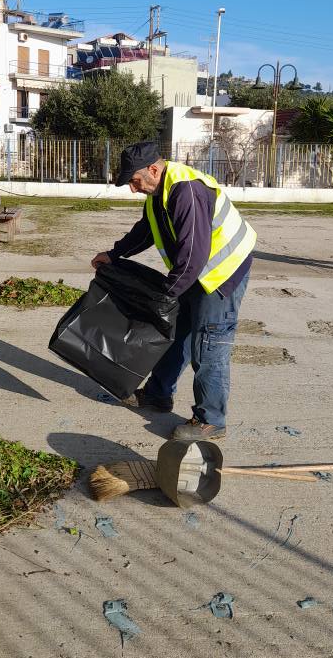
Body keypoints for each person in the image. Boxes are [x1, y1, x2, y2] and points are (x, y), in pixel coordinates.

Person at [91, 141, 256, 440]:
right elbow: (147, 229)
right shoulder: (159, 191)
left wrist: (168, 294)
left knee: (209, 344)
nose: (132, 188)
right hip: (196, 272)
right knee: (177, 333)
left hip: (222, 273)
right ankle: (158, 395)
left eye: (135, 181)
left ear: (153, 169)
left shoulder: (186, 191)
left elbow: (194, 254)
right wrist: (114, 254)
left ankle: (211, 420)